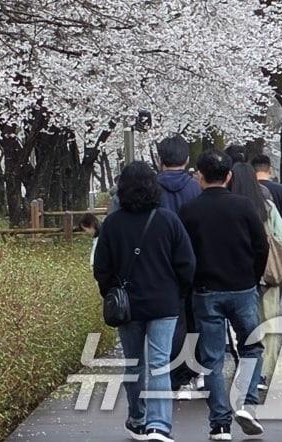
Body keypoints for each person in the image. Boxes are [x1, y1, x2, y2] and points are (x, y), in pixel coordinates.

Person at [95, 161, 196, 442]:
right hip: (164, 302)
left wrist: (111, 292)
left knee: (133, 363)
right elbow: (187, 263)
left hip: (128, 306)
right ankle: (159, 425)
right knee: (160, 364)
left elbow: (101, 267)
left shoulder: (113, 224)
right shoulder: (168, 220)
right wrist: (178, 292)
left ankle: (137, 419)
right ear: (153, 187)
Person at [179, 151, 270, 440]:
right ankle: (247, 404)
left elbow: (183, 255)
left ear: (200, 177)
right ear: (229, 176)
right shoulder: (244, 206)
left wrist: (191, 282)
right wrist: (252, 276)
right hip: (243, 287)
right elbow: (261, 246)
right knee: (251, 347)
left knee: (212, 358)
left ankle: (220, 424)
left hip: (206, 291)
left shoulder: (189, 211)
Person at [234, 160, 282, 399]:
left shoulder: (230, 208)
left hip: (238, 276)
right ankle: (264, 373)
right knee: (269, 322)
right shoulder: (266, 206)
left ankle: (245, 369)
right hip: (267, 274)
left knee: (242, 324)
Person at [156, 135, 201, 393]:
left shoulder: (152, 189)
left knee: (169, 320)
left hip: (161, 265)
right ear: (187, 159)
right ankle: (191, 370)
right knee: (193, 318)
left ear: (160, 159)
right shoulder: (195, 188)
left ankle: (170, 373)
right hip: (193, 261)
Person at [251, 153, 282, 238]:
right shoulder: (280, 189)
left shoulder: (248, 187)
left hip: (254, 237)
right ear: (270, 170)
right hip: (276, 237)